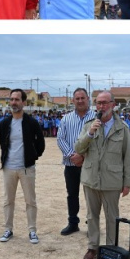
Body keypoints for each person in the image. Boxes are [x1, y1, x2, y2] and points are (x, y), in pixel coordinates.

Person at [74, 91, 130, 259]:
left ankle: (110, 247)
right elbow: (79, 148)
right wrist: (91, 133)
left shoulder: (122, 128)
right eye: (98, 103)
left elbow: (128, 157)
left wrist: (127, 183)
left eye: (105, 103)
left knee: (112, 217)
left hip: (112, 181)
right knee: (92, 216)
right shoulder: (89, 125)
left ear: (113, 104)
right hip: (91, 178)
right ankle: (93, 247)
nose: (101, 106)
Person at [0, 89, 46, 244]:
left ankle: (32, 231)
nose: (14, 103)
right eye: (12, 99)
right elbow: (2, 143)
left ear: (24, 102)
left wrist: (33, 156)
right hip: (8, 168)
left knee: (30, 200)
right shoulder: (4, 123)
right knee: (8, 200)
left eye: (17, 99)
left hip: (27, 168)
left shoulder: (32, 122)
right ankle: (8, 229)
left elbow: (41, 144)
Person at [57, 88, 95, 236]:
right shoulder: (66, 119)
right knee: (72, 195)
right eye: (77, 98)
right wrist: (72, 155)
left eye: (82, 98)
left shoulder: (95, 118)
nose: (80, 101)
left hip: (90, 164)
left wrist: (83, 157)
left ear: (88, 99)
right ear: (73, 101)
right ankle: (73, 223)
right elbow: (60, 139)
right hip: (71, 164)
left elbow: (98, 141)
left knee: (91, 196)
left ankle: (92, 224)